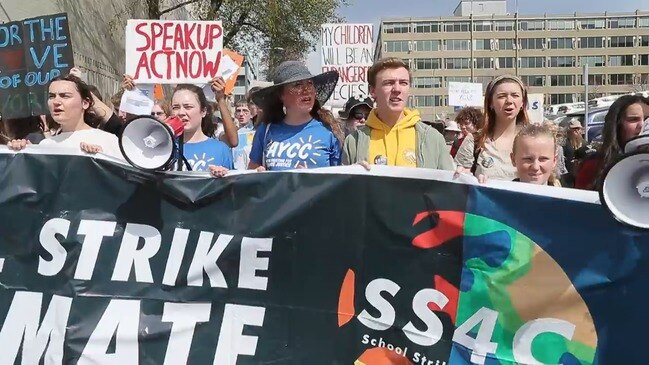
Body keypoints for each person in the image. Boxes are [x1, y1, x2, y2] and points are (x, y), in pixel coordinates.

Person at [342, 57, 453, 170]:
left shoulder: (433, 139)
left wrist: (461, 177)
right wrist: (351, 176)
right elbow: (343, 186)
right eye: (389, 83)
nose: (397, 89)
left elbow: (450, 185)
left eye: (403, 83)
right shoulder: (353, 141)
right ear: (373, 91)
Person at [248, 60, 343, 171]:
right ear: (281, 95)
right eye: (297, 85)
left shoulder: (329, 131)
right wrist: (258, 174)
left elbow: (339, 179)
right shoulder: (265, 130)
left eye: (310, 83)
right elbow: (251, 171)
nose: (306, 90)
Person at [7, 74, 122, 159]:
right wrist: (22, 153)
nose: (56, 101)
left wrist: (102, 160)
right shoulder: (46, 146)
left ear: (85, 103)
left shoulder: (107, 141)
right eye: (52, 96)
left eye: (65, 96)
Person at [455, 75, 529, 183]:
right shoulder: (475, 141)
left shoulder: (533, 140)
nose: (509, 100)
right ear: (491, 103)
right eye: (501, 96)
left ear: (522, 102)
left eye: (515, 95)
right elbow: (459, 184)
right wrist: (466, 177)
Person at [575, 95, 649, 190]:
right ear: (617, 124)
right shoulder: (593, 165)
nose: (642, 125)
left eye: (647, 119)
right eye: (633, 119)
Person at [170, 80, 234, 175]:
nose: (181, 113)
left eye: (188, 107)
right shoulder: (164, 148)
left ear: (203, 111)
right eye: (176, 107)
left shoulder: (220, 150)